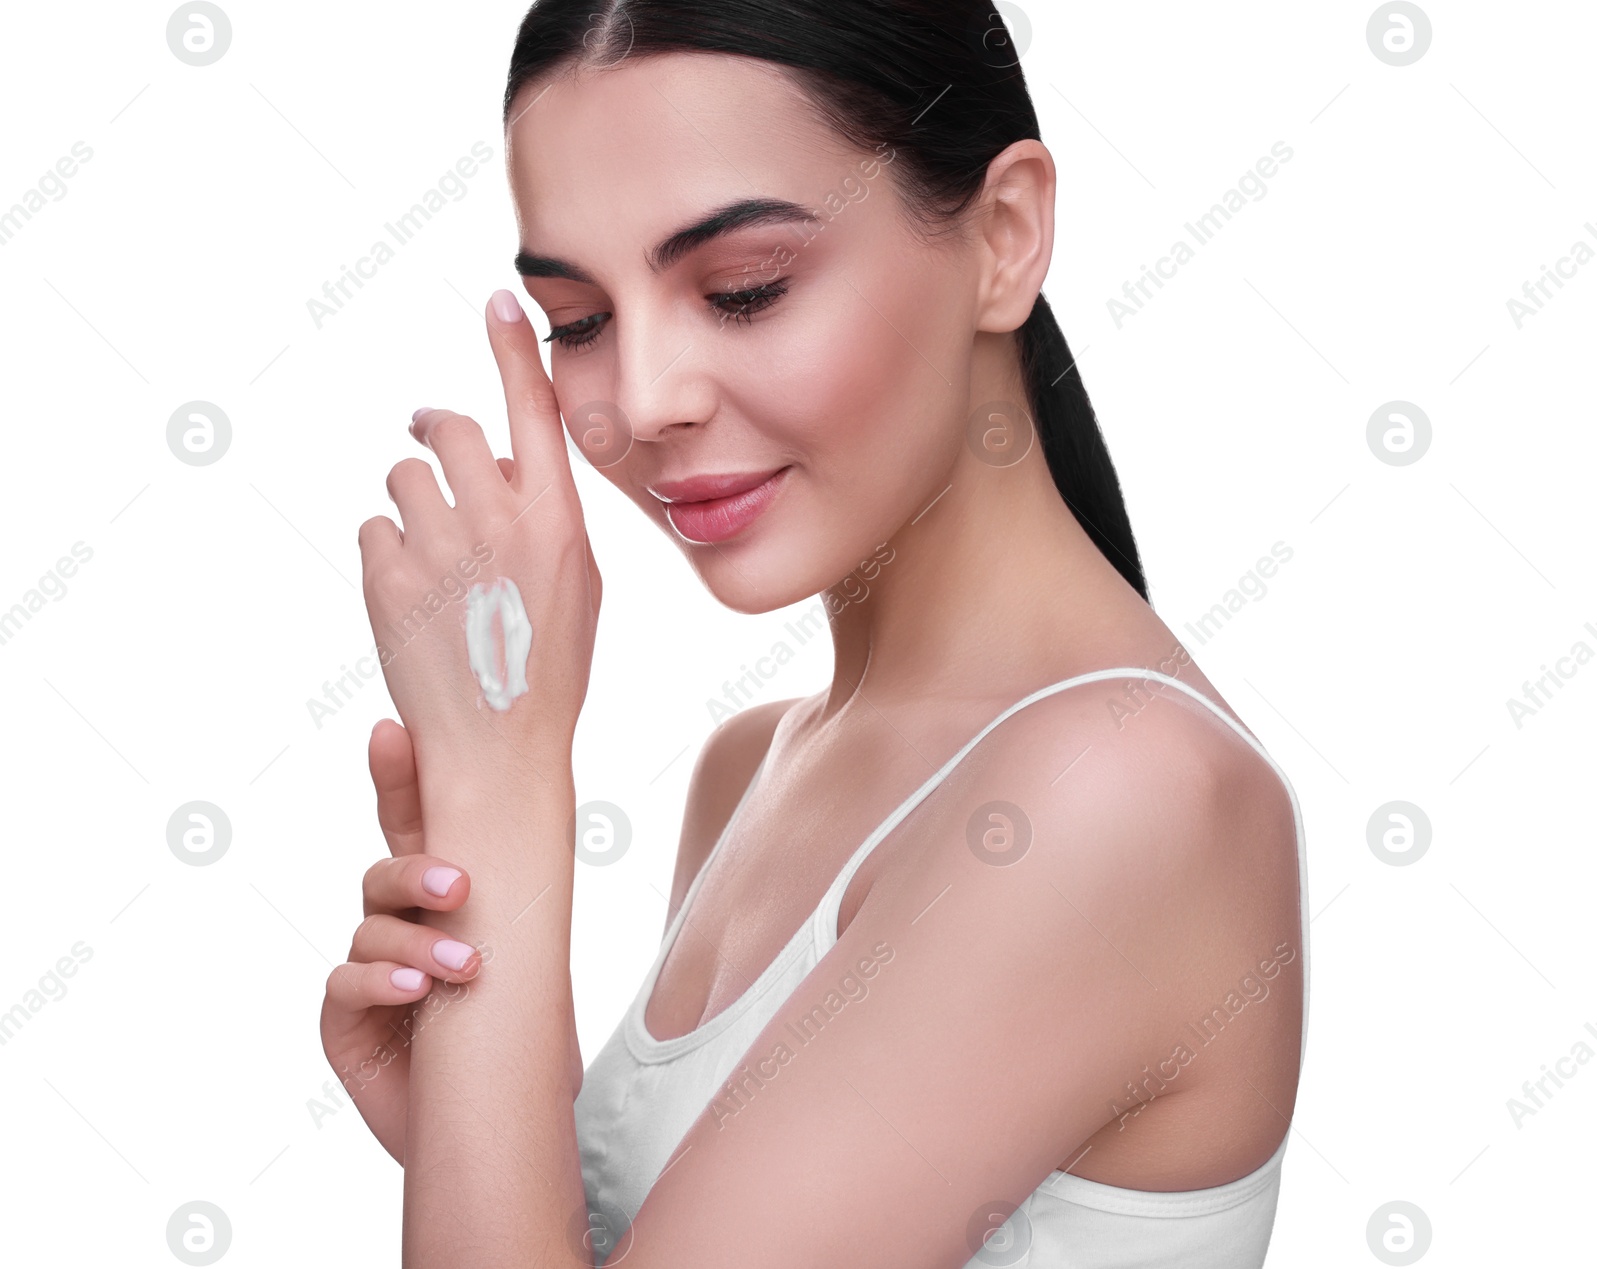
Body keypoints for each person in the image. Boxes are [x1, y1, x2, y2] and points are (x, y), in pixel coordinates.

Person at [320, 3, 1308, 1264]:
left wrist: (503, 790)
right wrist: (475, 1085)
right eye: (579, 321)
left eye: (743, 290)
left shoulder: (1117, 794)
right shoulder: (752, 770)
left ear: (1003, 237)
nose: (644, 400)